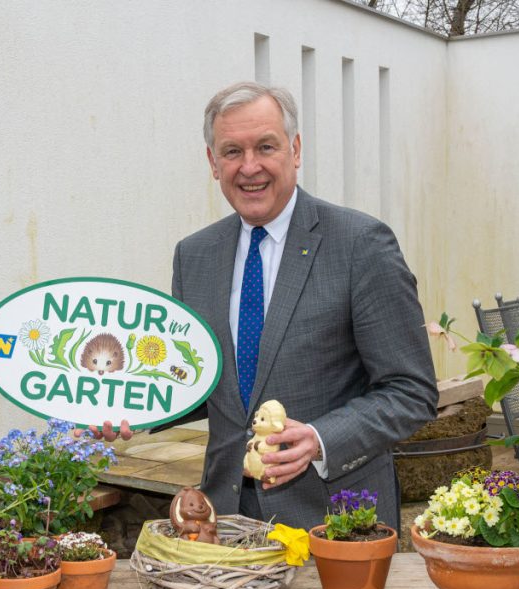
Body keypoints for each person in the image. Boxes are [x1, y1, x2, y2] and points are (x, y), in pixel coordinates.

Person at [161, 81, 438, 532]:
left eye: (265, 146)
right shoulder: (194, 256)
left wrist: (322, 440)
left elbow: (411, 391)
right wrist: (125, 408)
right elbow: (197, 383)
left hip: (334, 526)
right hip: (222, 525)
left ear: (295, 149)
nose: (249, 167)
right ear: (213, 163)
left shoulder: (360, 245)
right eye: (232, 151)